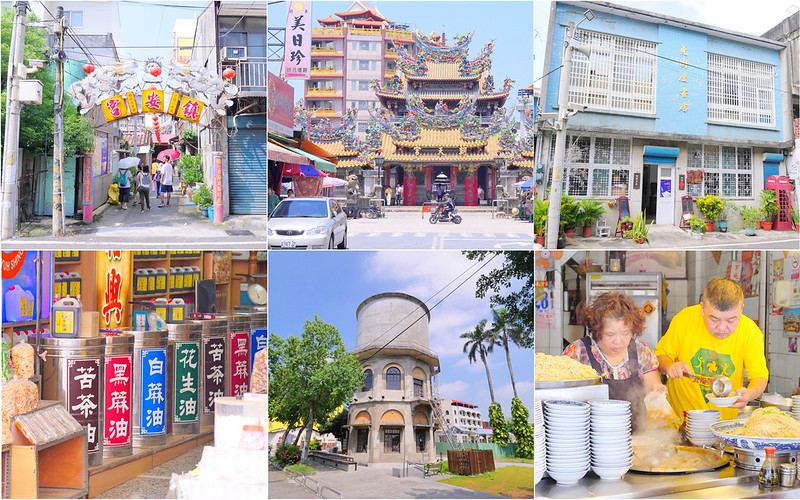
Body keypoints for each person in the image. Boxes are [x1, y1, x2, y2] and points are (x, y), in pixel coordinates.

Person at [655, 278, 769, 425]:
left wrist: (749, 394)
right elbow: (661, 355)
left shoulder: (750, 332)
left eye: (731, 320)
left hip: (723, 426)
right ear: (702, 308)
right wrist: (670, 366)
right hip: (679, 423)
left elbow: (760, 376)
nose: (722, 328)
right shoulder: (685, 319)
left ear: (741, 309)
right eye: (714, 319)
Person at [564, 292, 666, 432]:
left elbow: (653, 389)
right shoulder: (577, 353)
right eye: (610, 334)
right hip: (589, 440)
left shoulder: (642, 352)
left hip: (635, 440)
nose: (618, 341)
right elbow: (565, 401)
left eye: (625, 333)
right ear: (597, 330)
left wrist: (657, 392)